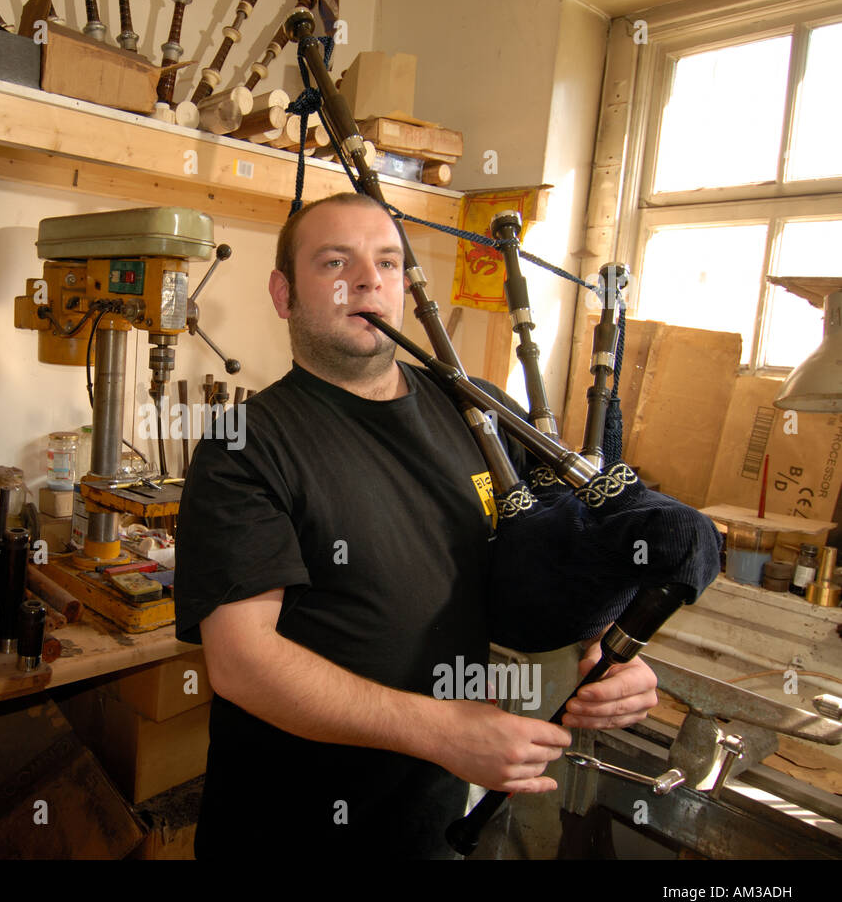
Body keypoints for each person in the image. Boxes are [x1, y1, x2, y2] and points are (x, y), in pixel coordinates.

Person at [173, 193, 659, 857]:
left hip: (428, 826)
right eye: (335, 262)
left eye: (388, 262)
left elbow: (558, 558)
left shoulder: (480, 411)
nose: (369, 280)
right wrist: (441, 731)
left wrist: (612, 640)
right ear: (284, 294)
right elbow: (241, 662)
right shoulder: (245, 445)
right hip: (284, 831)